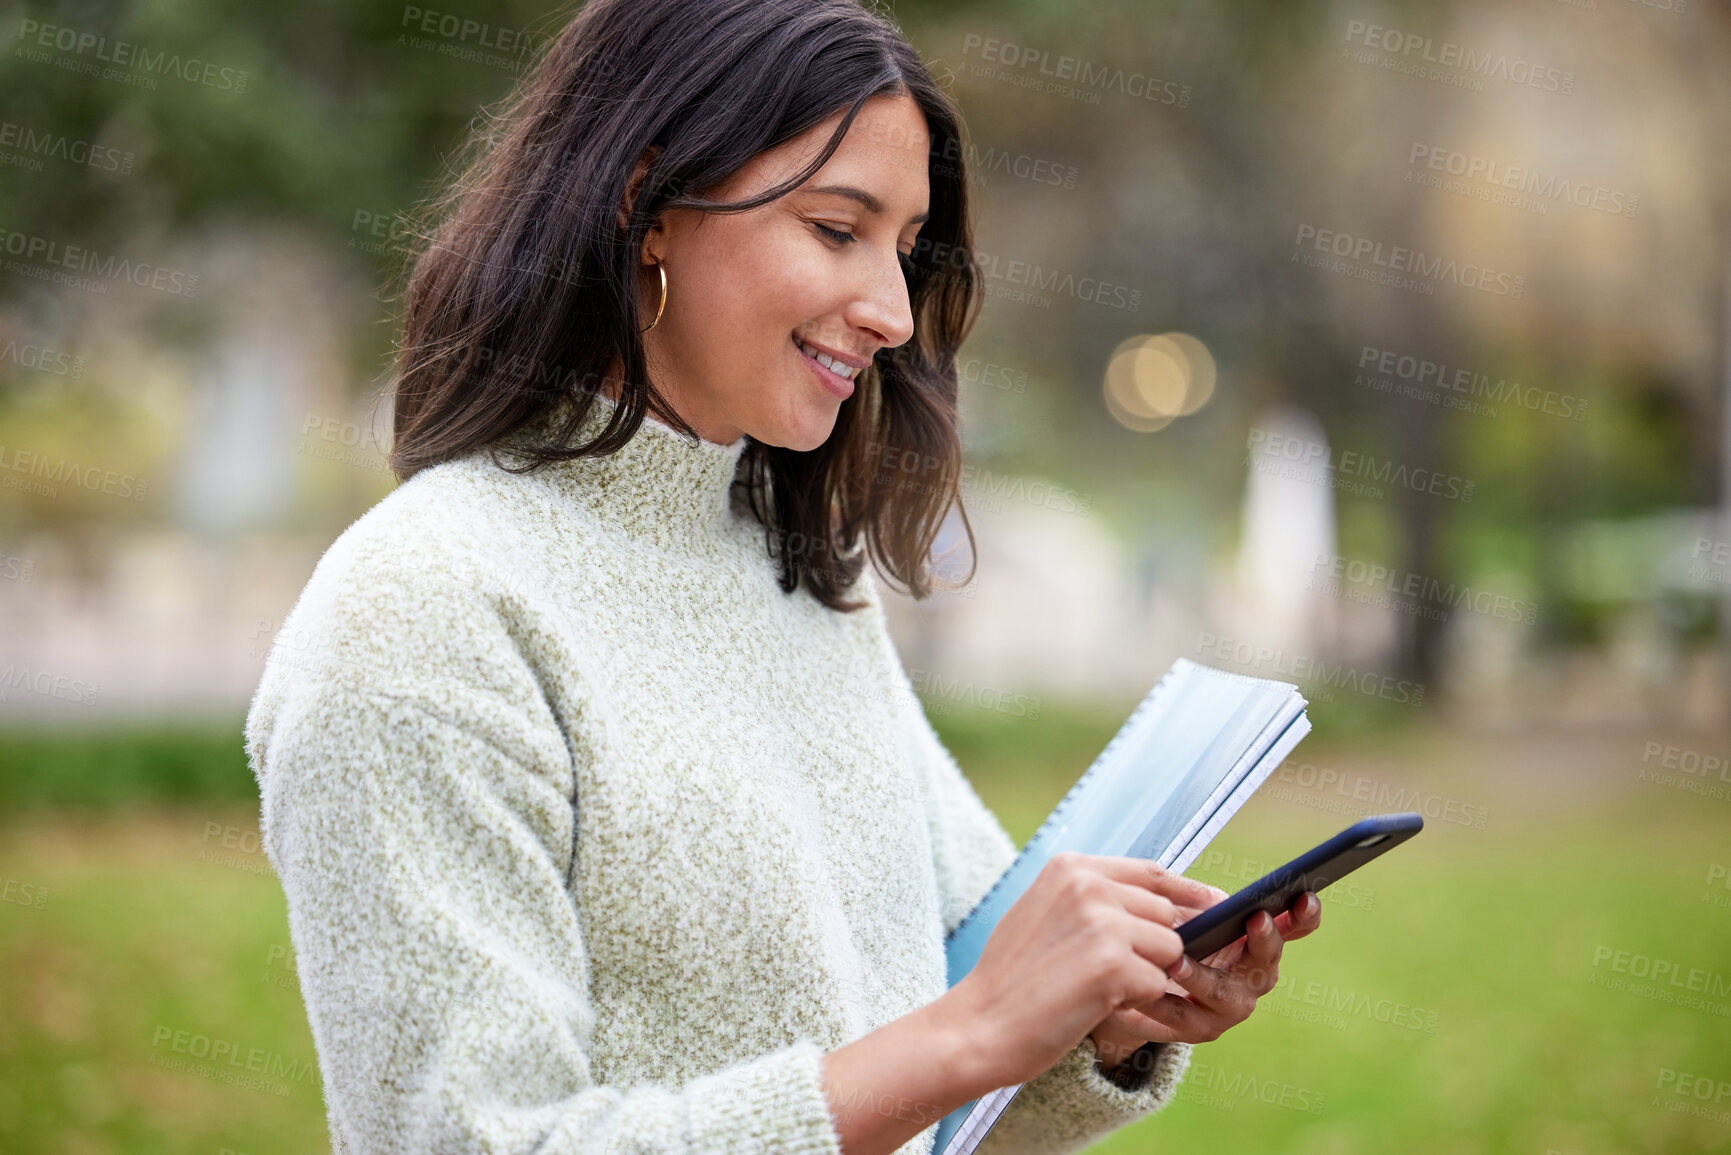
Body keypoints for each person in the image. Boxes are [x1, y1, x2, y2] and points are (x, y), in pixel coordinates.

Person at [244, 1, 1322, 1152]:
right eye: (835, 228)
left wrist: (1105, 1019)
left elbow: (939, 1061)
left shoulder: (799, 575)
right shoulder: (424, 609)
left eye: (905, 250)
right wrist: (971, 1033)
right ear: (645, 205)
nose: (893, 314)